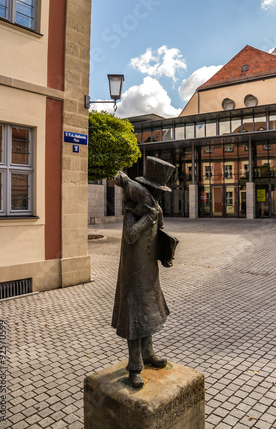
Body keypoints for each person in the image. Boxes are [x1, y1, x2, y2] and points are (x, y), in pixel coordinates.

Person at [112, 157, 176, 388]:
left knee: (150, 312)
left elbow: (159, 231)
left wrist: (165, 248)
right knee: (135, 316)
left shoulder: (152, 207)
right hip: (133, 273)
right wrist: (147, 216)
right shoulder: (132, 209)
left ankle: (149, 354)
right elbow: (130, 235)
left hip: (149, 270)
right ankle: (135, 366)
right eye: (157, 191)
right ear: (147, 188)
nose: (159, 196)